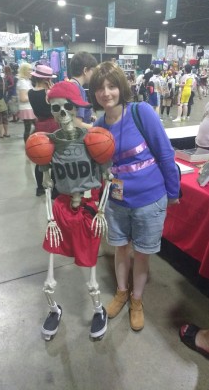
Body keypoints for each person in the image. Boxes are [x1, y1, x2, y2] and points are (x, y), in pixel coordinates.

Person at [89, 61, 180, 331]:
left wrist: (173, 192)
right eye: (100, 88)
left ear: (121, 87)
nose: (106, 93)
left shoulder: (141, 113)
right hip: (117, 203)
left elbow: (165, 153)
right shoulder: (98, 125)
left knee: (141, 254)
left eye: (112, 86)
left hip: (149, 200)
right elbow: (99, 167)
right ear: (94, 93)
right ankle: (121, 291)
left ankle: (136, 300)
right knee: (120, 249)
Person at [28, 64, 60, 197]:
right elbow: (57, 106)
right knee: (55, 158)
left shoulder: (31, 92)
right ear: (46, 79)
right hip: (53, 126)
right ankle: (55, 190)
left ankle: (40, 187)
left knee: (41, 157)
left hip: (39, 126)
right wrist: (52, 90)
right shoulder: (49, 93)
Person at [69, 51, 97, 129]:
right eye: (93, 71)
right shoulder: (78, 90)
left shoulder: (69, 85)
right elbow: (77, 124)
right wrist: (96, 127)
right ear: (85, 70)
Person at [17, 63, 36, 142]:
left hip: (29, 108)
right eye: (29, 70)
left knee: (36, 127)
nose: (31, 72)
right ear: (25, 71)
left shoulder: (27, 81)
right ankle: (28, 145)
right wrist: (34, 96)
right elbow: (23, 98)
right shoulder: (22, 82)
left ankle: (30, 143)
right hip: (26, 108)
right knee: (28, 129)